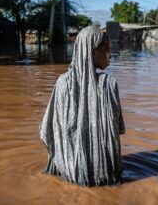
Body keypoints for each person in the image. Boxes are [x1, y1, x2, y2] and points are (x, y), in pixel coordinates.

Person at [39, 25, 125, 187]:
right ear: (92, 53)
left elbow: (48, 129)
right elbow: (117, 129)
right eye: (107, 51)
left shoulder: (63, 82)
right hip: (105, 174)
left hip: (69, 171)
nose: (111, 56)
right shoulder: (108, 84)